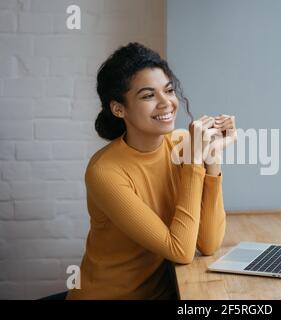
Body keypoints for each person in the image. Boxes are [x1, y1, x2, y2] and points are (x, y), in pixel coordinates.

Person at [66, 42, 236, 300]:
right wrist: (192, 161)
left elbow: (208, 244)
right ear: (119, 109)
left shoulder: (181, 144)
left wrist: (212, 159)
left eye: (168, 90)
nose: (165, 103)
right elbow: (180, 250)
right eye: (148, 95)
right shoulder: (105, 172)